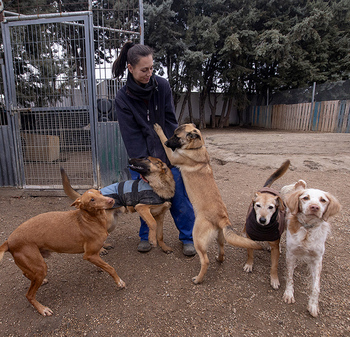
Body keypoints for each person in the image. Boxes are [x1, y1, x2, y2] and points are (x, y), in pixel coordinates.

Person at [111, 41, 196, 256]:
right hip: (143, 161)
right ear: (130, 68)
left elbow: (169, 120)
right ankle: (145, 236)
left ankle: (188, 237)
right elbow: (131, 136)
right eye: (144, 70)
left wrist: (172, 153)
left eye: (152, 68)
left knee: (179, 199)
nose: (149, 73)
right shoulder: (122, 98)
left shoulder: (162, 86)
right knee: (145, 198)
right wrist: (147, 170)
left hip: (167, 156)